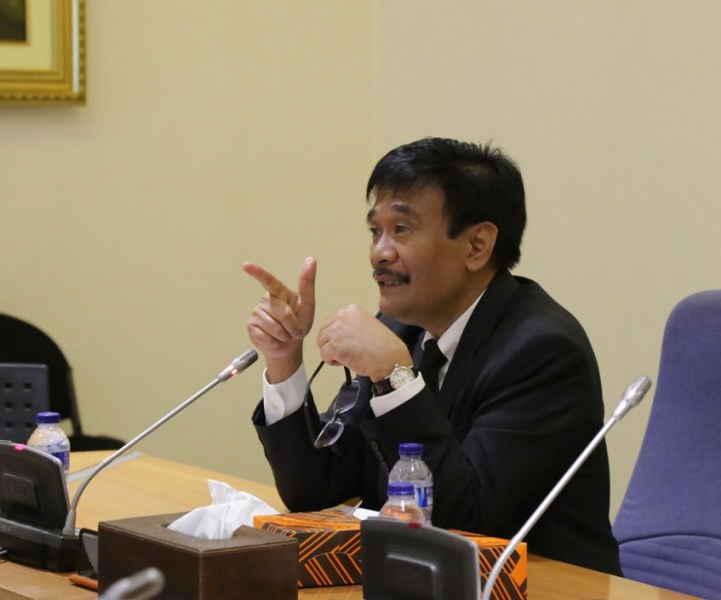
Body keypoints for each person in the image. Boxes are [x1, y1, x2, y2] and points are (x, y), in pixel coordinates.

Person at [243, 137, 621, 575]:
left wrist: (395, 376)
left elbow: (467, 521)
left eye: (401, 230)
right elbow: (316, 489)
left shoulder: (542, 351)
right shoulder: (400, 331)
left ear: (477, 245)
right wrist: (285, 360)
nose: (380, 252)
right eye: (376, 231)